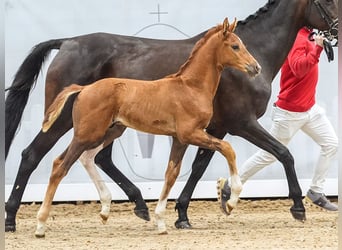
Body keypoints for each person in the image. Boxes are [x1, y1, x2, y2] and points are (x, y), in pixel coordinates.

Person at [239, 27, 338, 211]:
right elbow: (299, 68)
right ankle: (232, 184)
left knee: (331, 144)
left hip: (310, 109)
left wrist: (317, 42)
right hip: (289, 113)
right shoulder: (295, 39)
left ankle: (316, 191)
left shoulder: (307, 35)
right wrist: (317, 48)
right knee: (268, 155)